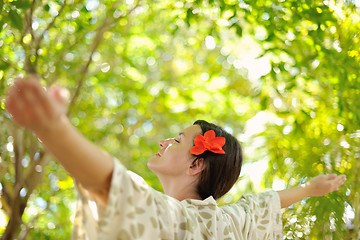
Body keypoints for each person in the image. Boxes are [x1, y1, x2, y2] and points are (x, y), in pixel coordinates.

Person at [5, 76, 346, 239]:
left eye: (179, 139)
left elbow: (114, 186)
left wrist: (55, 130)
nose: (165, 140)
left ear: (196, 164)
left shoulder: (181, 221)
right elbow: (266, 203)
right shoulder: (232, 221)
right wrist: (308, 189)